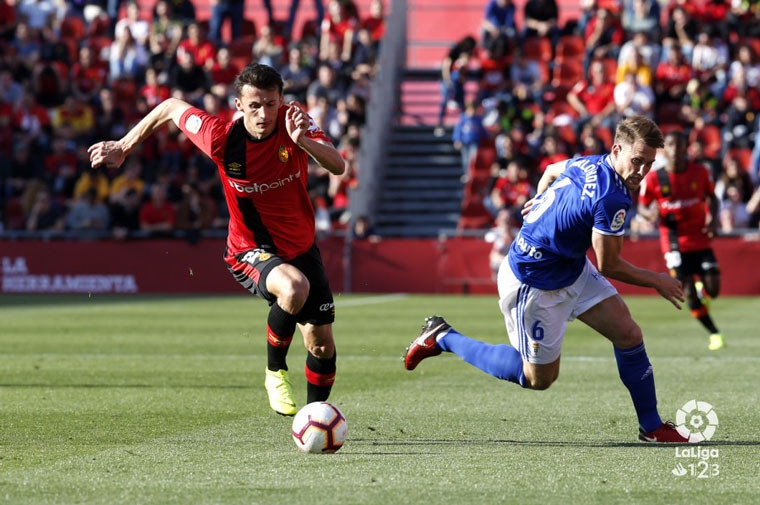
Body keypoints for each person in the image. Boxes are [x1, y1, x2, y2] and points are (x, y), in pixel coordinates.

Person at [404, 115, 691, 443]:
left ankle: (651, 427)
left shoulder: (589, 163)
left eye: (649, 164)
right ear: (617, 150)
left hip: (569, 268)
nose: (641, 172)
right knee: (538, 378)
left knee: (628, 333)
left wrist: (540, 197)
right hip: (533, 283)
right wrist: (658, 280)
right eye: (637, 161)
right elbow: (609, 264)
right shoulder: (613, 197)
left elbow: (552, 170)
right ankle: (444, 337)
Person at [88, 63, 346, 416]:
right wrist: (124, 145)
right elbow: (170, 107)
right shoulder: (220, 136)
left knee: (321, 346)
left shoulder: (295, 122)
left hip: (301, 247)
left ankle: (315, 417)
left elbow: (337, 166)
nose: (264, 113)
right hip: (250, 249)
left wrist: (303, 141)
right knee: (293, 288)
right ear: (239, 105)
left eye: (271, 103)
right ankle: (275, 371)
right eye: (254, 105)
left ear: (281, 100)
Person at [637, 131, 724, 351]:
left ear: (687, 148)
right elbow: (641, 206)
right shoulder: (655, 178)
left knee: (713, 290)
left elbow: (712, 197)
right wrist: (649, 215)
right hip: (673, 243)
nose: (675, 150)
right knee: (687, 293)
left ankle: (703, 290)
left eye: (679, 145)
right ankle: (714, 333)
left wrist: (713, 220)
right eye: (671, 146)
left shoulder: (699, 172)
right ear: (664, 150)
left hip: (700, 239)